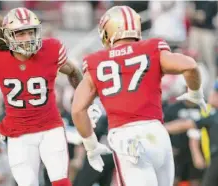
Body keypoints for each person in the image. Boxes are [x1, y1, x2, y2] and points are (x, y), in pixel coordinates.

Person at [71, 5, 207, 186]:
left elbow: (78, 109)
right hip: (158, 134)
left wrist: (91, 146)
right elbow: (189, 65)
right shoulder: (151, 48)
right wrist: (195, 93)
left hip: (126, 137)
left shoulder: (97, 61)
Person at [0, 7, 83, 186]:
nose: (27, 39)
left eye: (31, 32)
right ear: (8, 36)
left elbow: (73, 71)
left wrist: (85, 102)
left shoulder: (51, 50)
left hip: (50, 128)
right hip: (18, 134)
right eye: (21, 34)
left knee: (61, 181)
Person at [165, 77, 218, 186]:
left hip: (217, 160)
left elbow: (188, 125)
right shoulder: (173, 108)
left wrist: (158, 129)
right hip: (181, 153)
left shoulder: (210, 112)